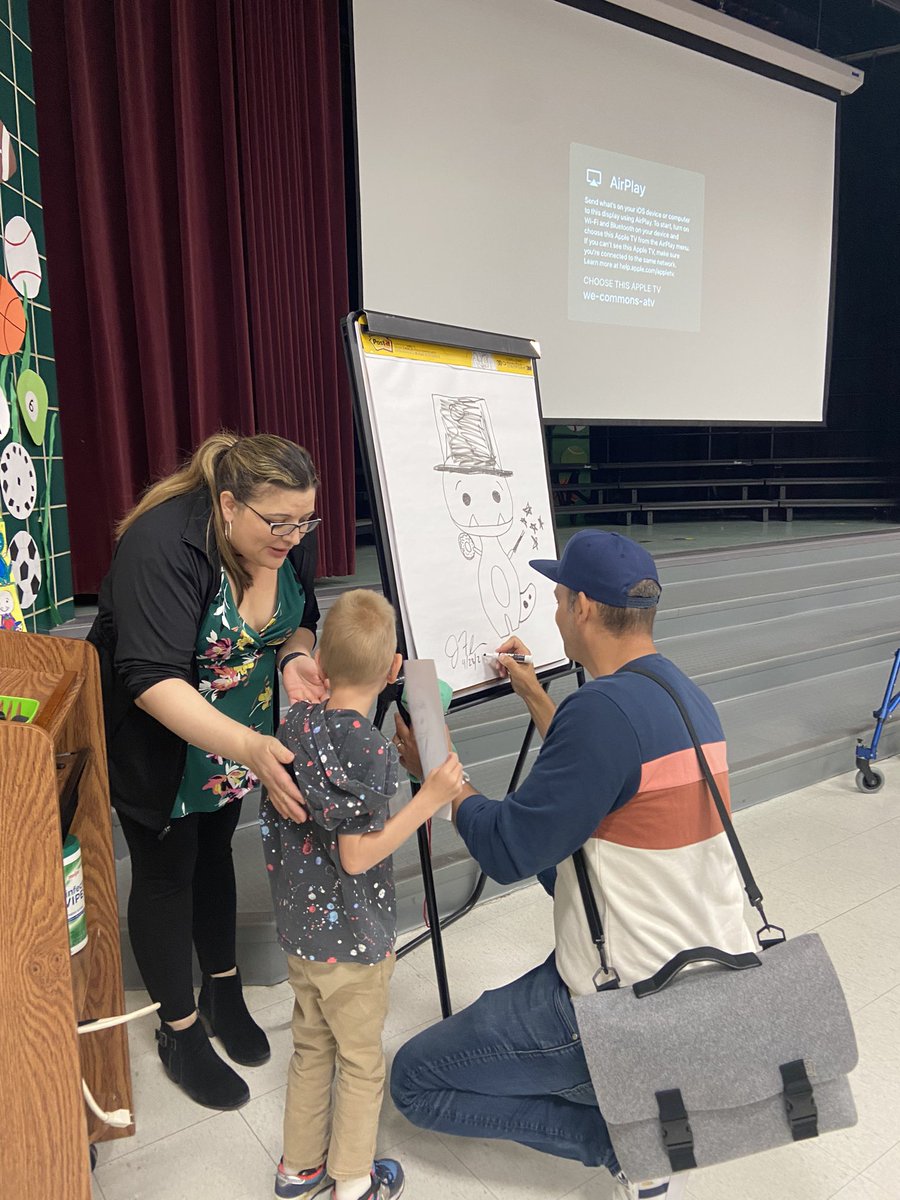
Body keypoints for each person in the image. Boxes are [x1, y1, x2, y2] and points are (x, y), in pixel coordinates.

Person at [389, 529, 754, 1200]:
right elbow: (602, 775)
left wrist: (440, 780)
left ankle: (626, 1145)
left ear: (583, 608)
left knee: (414, 1082)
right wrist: (533, 694)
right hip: (707, 975)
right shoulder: (680, 694)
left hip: (625, 1001)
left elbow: (508, 850)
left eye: (558, 600)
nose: (554, 614)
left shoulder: (600, 712)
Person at [89, 431, 328, 1111]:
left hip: (235, 735)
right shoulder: (163, 545)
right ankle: (179, 1028)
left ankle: (221, 990)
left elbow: (299, 620)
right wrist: (251, 748)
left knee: (216, 851)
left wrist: (294, 660)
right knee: (167, 875)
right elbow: (147, 677)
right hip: (162, 744)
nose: (293, 536)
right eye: (278, 523)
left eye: (304, 521)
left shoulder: (283, 533)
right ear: (228, 506)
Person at [260, 588, 465, 1200]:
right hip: (353, 941)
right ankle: (353, 1181)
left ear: (318, 667)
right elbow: (357, 854)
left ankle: (298, 1169)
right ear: (394, 670)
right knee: (360, 1061)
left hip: (301, 936)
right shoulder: (372, 750)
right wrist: (426, 799)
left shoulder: (294, 722)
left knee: (310, 1046)